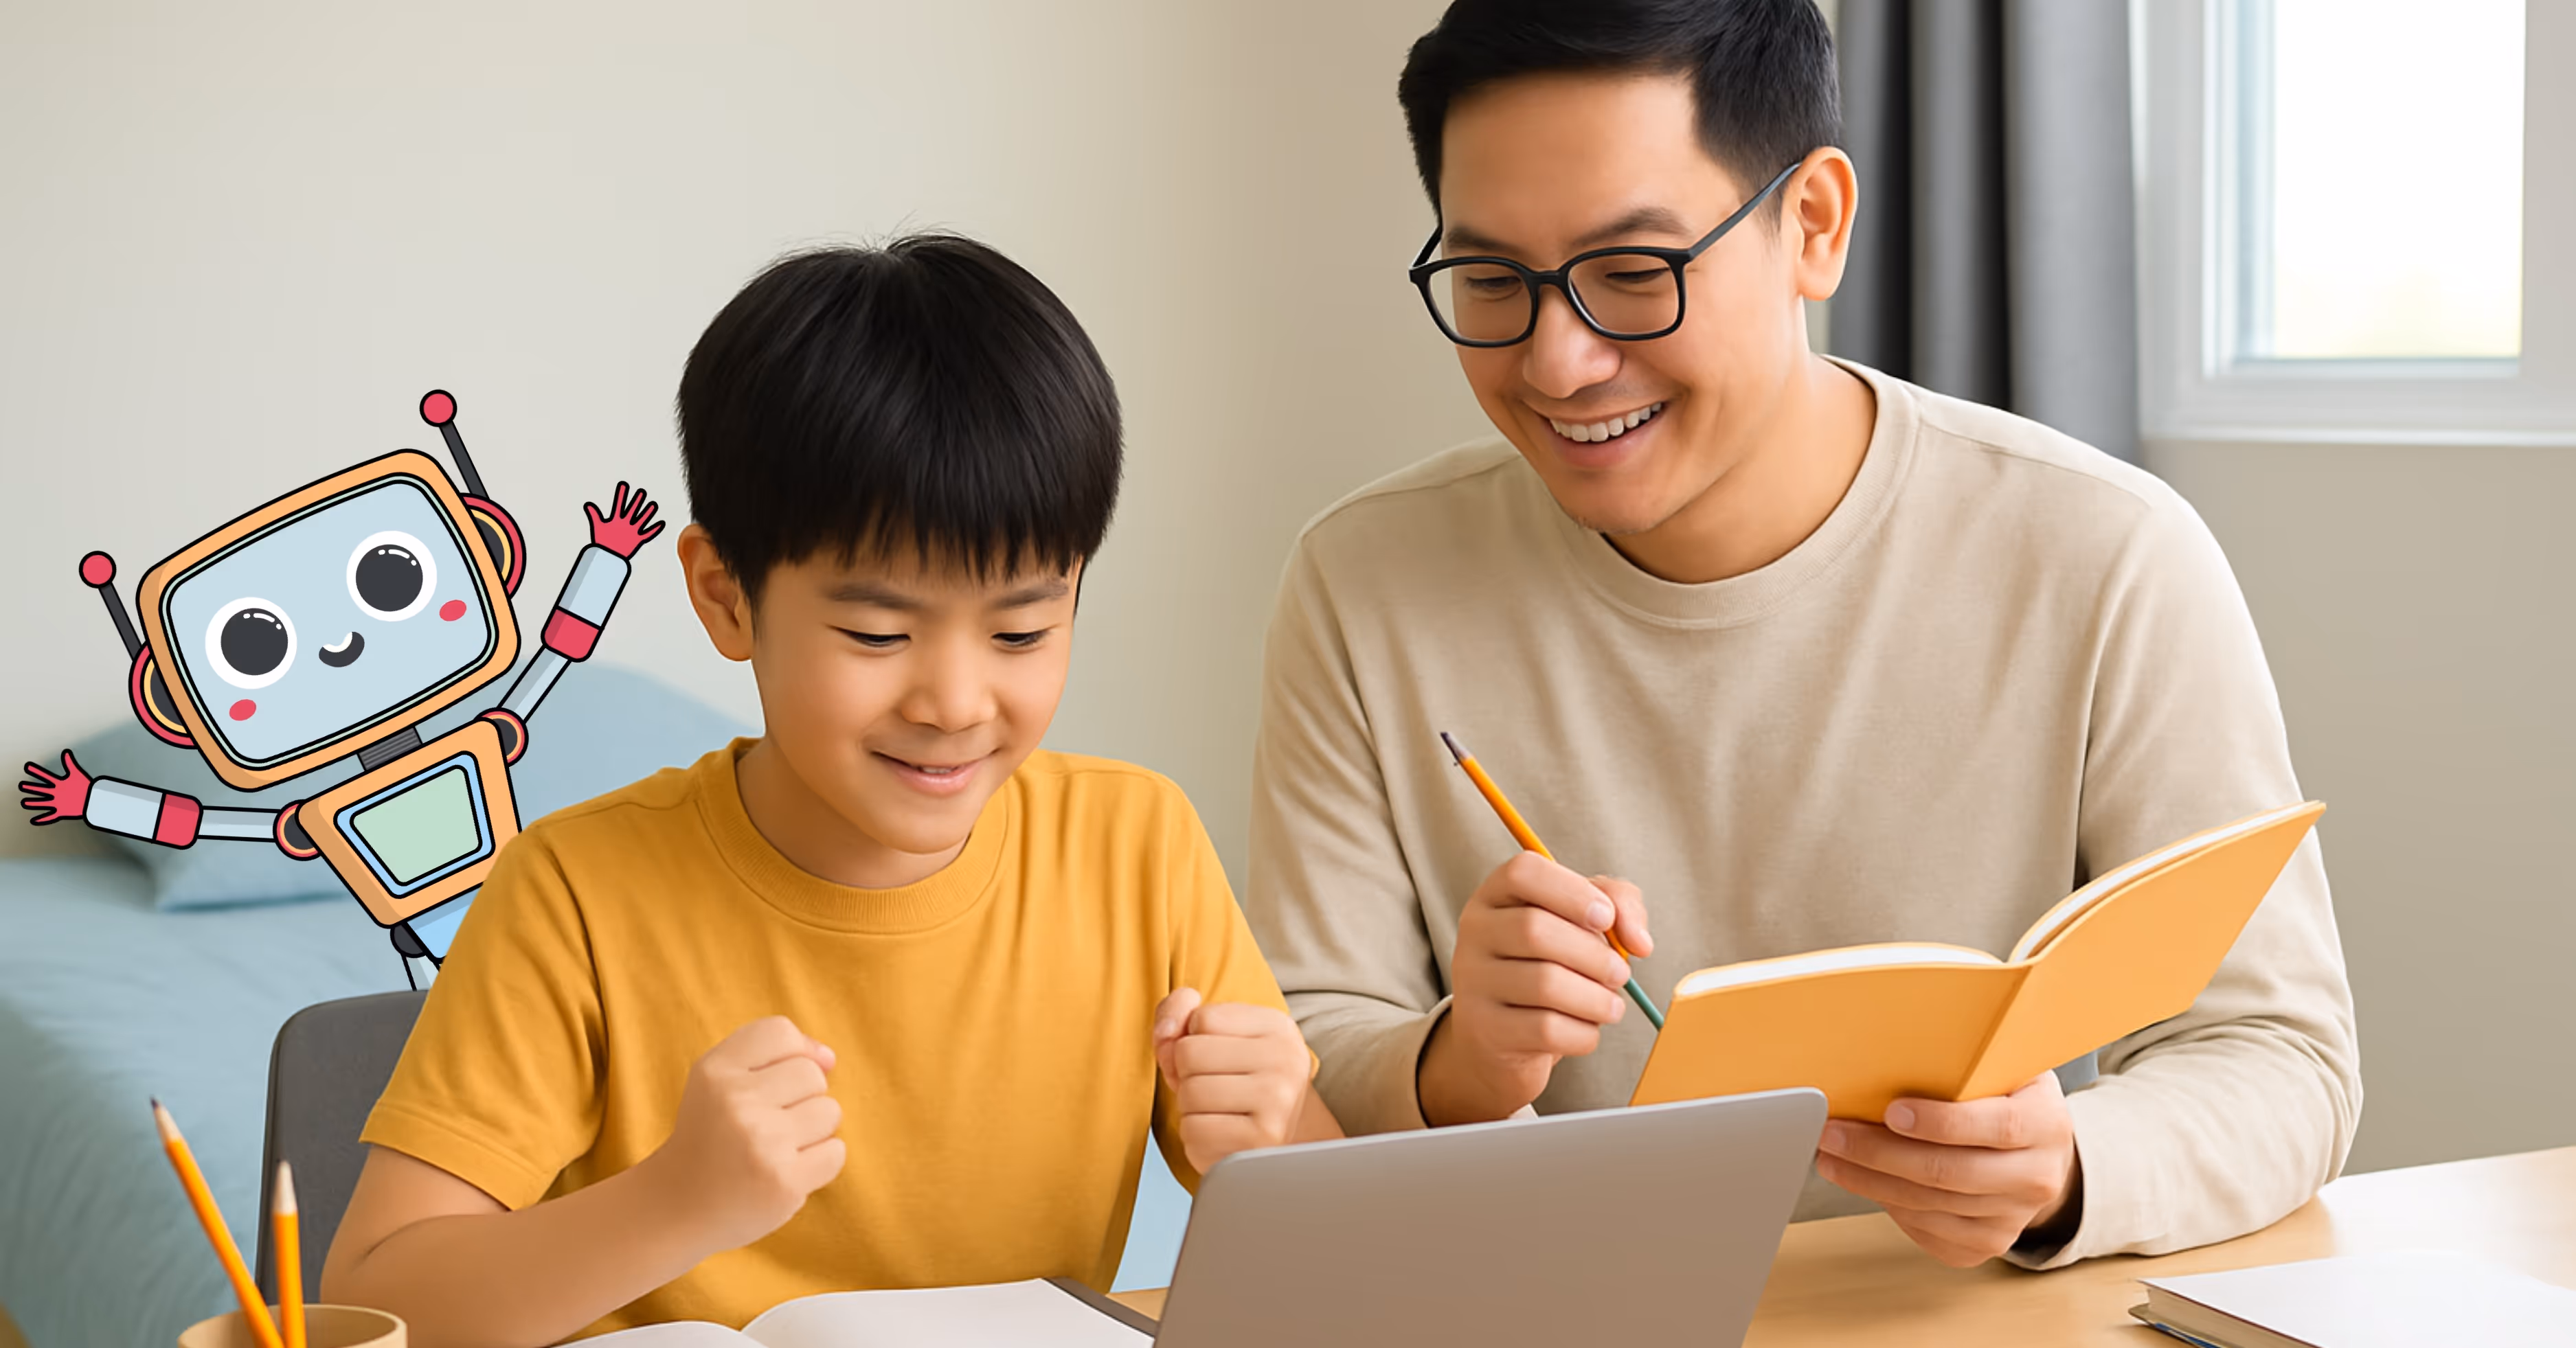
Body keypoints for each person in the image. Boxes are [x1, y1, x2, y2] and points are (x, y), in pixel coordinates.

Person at [1243, 0, 2358, 1270]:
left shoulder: (2104, 556)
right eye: (1493, 280)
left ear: (1813, 225)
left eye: (1631, 272)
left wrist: (2063, 1171)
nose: (1557, 362)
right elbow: (1302, 1041)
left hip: (1949, 1308)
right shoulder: (1362, 581)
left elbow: (2280, 1057)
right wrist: (1454, 1057)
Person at [321, 235, 1340, 1345]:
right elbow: (376, 1307)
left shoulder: (1138, 845)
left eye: (1021, 628)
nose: (954, 699)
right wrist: (676, 1201)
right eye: (876, 631)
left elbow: (1364, 1266)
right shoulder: (573, 892)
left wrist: (1281, 1135)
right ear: (726, 598)